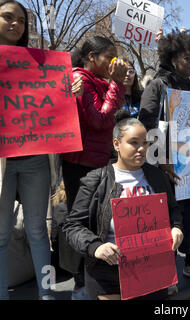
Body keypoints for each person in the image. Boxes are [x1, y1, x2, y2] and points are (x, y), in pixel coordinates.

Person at [0, 0, 81, 300]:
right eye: (8, 17)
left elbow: (56, 99)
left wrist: (72, 87)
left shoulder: (39, 63)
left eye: (21, 20)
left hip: (35, 159)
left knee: (38, 231)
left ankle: (46, 293)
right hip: (2, 164)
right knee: (1, 234)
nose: (15, 24)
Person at [62, 110, 183, 300]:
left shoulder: (158, 177)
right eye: (134, 143)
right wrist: (95, 247)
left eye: (145, 143)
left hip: (154, 270)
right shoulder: (96, 181)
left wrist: (176, 228)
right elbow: (72, 225)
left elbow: (173, 210)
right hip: (109, 274)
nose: (141, 149)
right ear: (116, 144)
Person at [139, 28, 190, 285]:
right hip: (163, 166)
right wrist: (162, 159)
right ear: (173, 60)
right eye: (186, 59)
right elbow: (145, 125)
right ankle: (161, 272)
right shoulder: (158, 86)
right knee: (164, 219)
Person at [60, 36, 127, 299]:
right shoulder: (80, 79)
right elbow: (99, 119)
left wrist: (117, 84)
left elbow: (114, 110)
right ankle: (80, 281)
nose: (113, 62)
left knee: (95, 219)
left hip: (97, 160)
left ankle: (91, 275)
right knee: (80, 222)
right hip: (81, 162)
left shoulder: (99, 82)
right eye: (108, 57)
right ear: (91, 57)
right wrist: (117, 83)